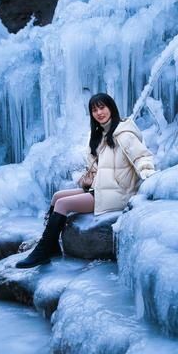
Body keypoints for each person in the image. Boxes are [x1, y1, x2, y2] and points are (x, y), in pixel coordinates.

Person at [16, 93, 156, 268]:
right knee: (57, 197)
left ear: (111, 107)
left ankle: (44, 250)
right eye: (94, 110)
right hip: (102, 188)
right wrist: (87, 181)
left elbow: (142, 157)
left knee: (63, 205)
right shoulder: (100, 136)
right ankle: (51, 244)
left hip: (119, 193)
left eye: (102, 107)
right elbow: (100, 170)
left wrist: (148, 173)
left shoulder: (124, 134)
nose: (99, 113)